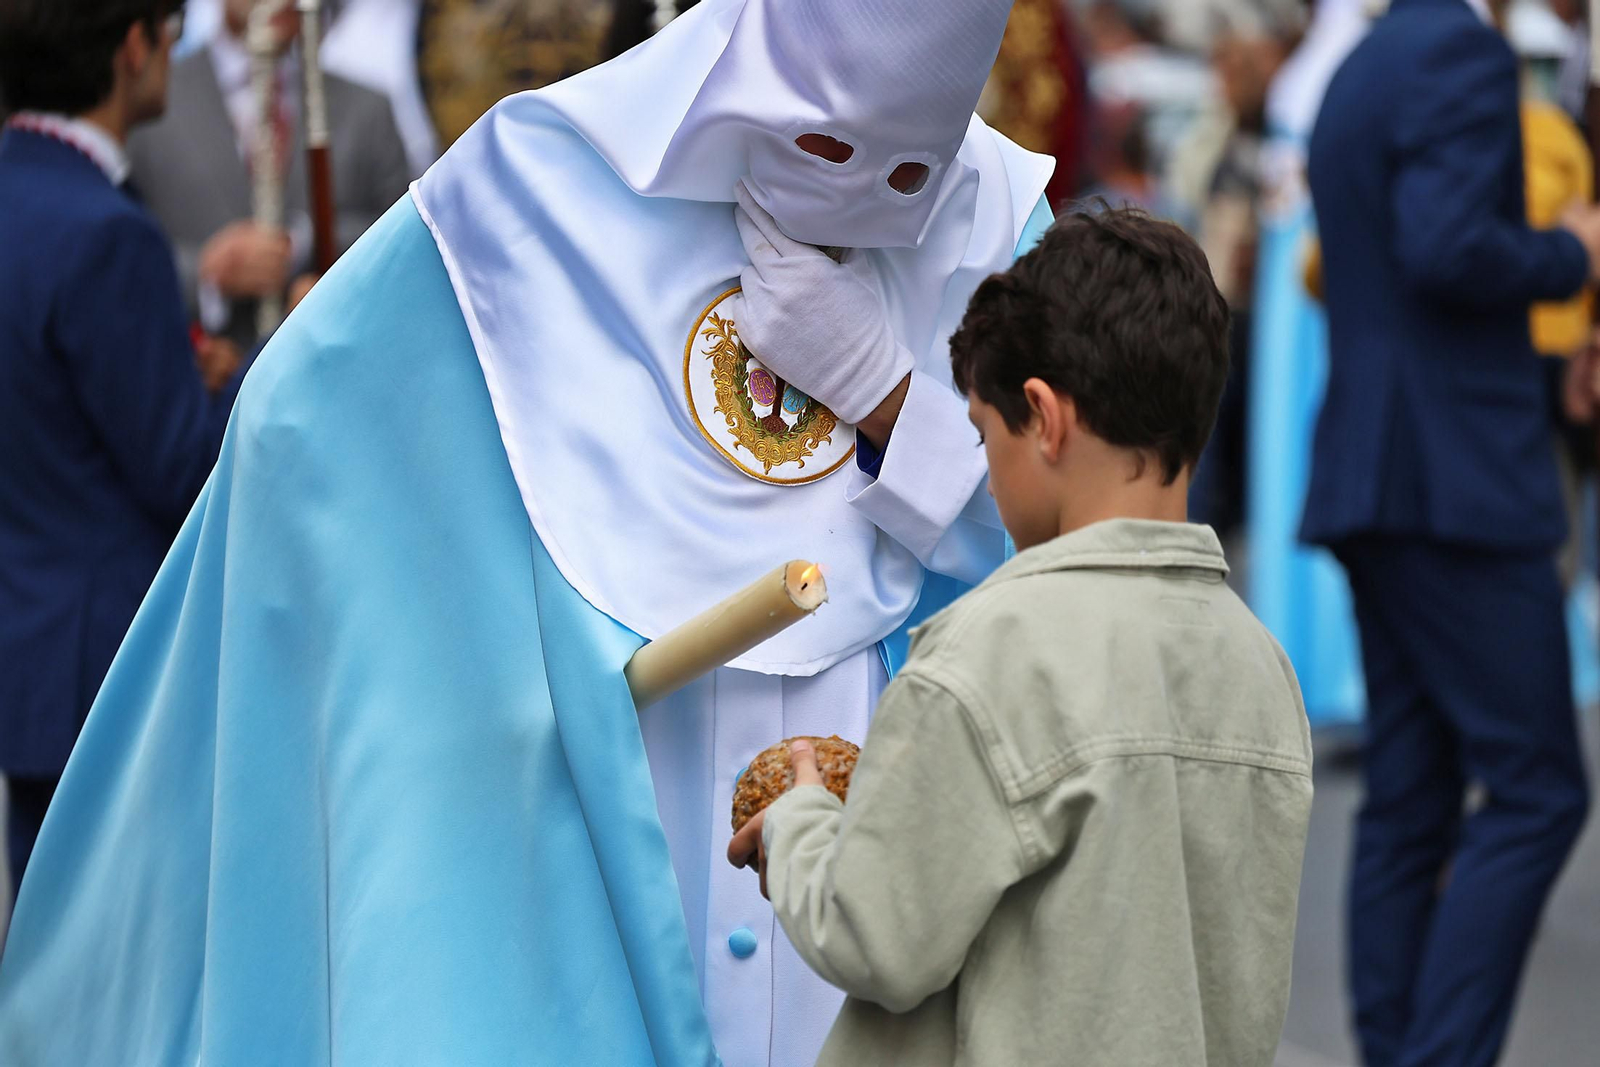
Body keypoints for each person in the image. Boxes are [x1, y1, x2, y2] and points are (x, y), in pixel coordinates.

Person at [0, 2, 1053, 1063]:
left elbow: (1072, 547)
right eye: (825, 145)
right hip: (614, 812)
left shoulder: (998, 223)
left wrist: (888, 400)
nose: (855, 193)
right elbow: (304, 424)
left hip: (881, 827)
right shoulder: (540, 181)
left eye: (906, 173)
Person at [728, 206, 1314, 1067]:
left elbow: (873, 936)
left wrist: (800, 819)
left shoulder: (988, 651)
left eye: (981, 433)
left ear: (1041, 415)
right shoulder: (1260, 664)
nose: (988, 477)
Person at [1305, 0, 1599, 1063]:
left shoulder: (1365, 60)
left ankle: (1399, 1048)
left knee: (1410, 791)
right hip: (1454, 477)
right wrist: (1570, 254)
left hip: (1382, 465)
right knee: (1538, 789)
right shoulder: (1459, 52)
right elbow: (1447, 247)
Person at [0, 0, 245, 903]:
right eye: (166, 30)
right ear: (130, 46)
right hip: (108, 670)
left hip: (28, 644)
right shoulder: (104, 231)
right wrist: (256, 375)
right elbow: (181, 466)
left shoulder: (23, 194)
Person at [127, 0, 410, 352]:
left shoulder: (367, 108)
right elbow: (116, 247)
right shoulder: (150, 100)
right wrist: (207, 274)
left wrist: (303, 243)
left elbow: (406, 241)